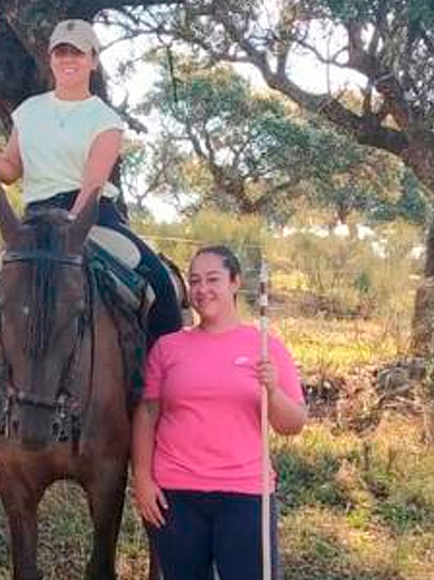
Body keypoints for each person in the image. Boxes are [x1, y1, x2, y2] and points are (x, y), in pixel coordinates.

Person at [0, 18, 184, 456]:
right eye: (60, 52)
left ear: (92, 60)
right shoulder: (28, 111)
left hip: (93, 217)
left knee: (159, 285)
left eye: (77, 52)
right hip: (34, 222)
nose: (68, 59)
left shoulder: (105, 118)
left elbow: (91, 184)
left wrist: (69, 230)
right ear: (50, 58)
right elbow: (11, 171)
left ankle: (163, 408)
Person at [131, 246, 309, 580]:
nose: (202, 289)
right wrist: (142, 478)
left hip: (245, 493)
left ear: (235, 282)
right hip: (176, 494)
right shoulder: (168, 347)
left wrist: (272, 391)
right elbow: (147, 414)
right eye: (195, 280)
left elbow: (293, 424)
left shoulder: (266, 347)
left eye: (213, 279)